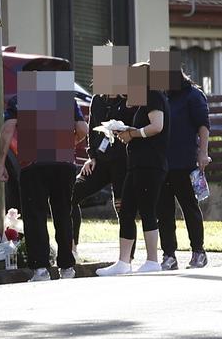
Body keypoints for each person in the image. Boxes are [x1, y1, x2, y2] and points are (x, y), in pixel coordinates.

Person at [0, 93, 87, 282]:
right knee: (63, 213)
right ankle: (67, 266)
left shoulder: (19, 99)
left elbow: (7, 130)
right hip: (63, 163)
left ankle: (40, 269)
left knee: (35, 216)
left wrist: (1, 163)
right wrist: (70, 143)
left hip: (33, 163)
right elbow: (82, 128)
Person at [96, 62, 171, 276]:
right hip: (137, 164)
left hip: (151, 164)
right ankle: (123, 262)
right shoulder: (142, 100)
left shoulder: (154, 95)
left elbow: (157, 126)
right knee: (127, 210)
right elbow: (144, 128)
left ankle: (152, 260)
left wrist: (133, 134)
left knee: (147, 210)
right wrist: (127, 132)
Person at [71, 93, 136, 259]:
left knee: (123, 207)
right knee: (71, 194)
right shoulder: (97, 100)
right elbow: (92, 131)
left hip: (124, 161)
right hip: (100, 160)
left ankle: (127, 258)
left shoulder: (131, 98)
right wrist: (91, 157)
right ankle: (72, 249)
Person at [157, 69, 210, 270]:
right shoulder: (161, 96)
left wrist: (203, 152)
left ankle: (198, 251)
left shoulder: (193, 95)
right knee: (164, 211)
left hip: (185, 162)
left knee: (189, 207)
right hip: (162, 163)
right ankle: (169, 255)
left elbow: (203, 125)